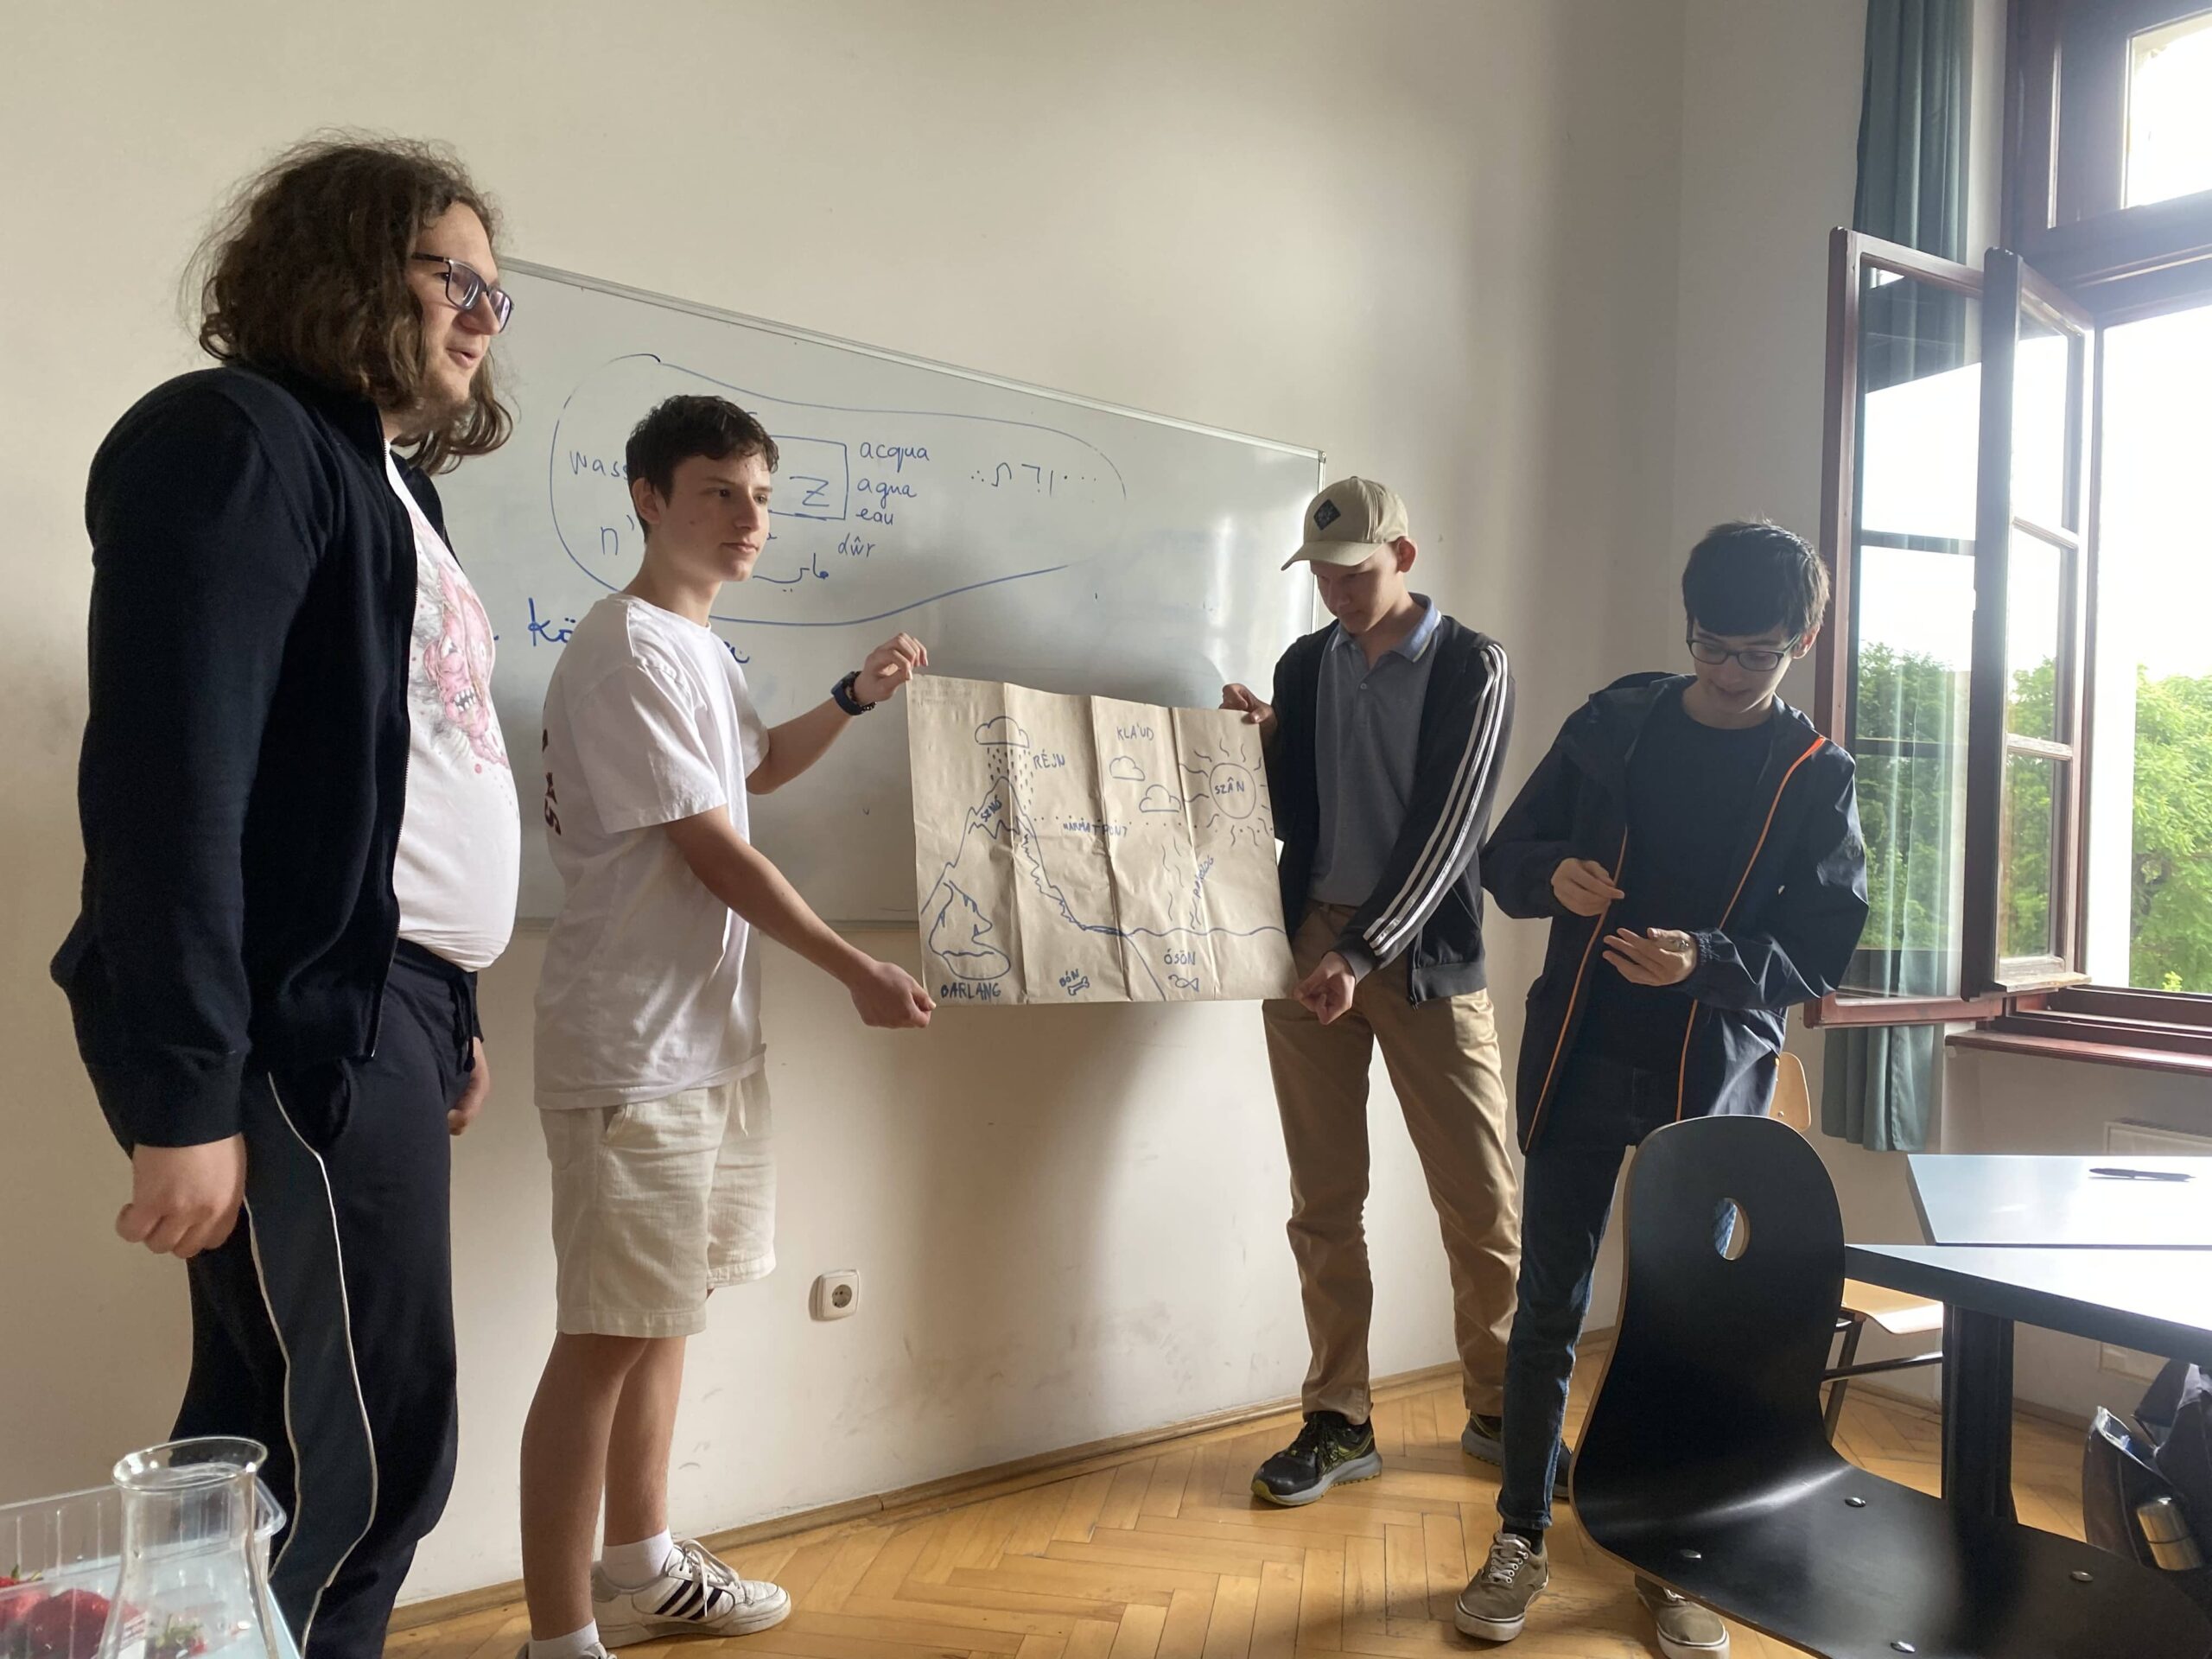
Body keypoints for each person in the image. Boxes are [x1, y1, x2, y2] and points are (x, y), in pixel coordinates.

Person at [52, 138, 522, 1659]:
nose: (483, 317)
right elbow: (170, 781)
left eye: (498, 294)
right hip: (304, 1023)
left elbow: (409, 774)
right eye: (457, 280)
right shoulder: (237, 438)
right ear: (353, 270)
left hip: (388, 1007)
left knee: (257, 1450)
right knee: (365, 1465)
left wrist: (454, 1008)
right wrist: (186, 1090)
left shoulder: (396, 489)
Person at [518, 395, 935, 1659]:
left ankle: (642, 1568)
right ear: (648, 497)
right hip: (632, 1048)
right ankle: (557, 1638)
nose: (748, 517)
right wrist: (853, 966)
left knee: (663, 1313)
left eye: (759, 495)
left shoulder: (698, 646)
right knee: (601, 1339)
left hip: (704, 1039)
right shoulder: (627, 649)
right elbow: (712, 849)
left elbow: (746, 772)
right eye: (717, 491)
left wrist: (852, 699)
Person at [1454, 521, 1869, 1657]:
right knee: (1548, 1306)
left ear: (1802, 641)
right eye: (1712, 647)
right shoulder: (1614, 723)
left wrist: (1707, 963)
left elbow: (1819, 950)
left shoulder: (1815, 773)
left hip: (1711, 1075)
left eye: (1758, 654)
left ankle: (1675, 1557)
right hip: (1582, 1057)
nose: (1731, 672)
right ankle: (1520, 1535)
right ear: (1687, 626)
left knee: (1688, 1325)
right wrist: (1554, 875)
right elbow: (1504, 858)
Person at [1220, 476, 1519, 1506]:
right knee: (1323, 1199)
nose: (1338, 593)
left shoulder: (1473, 665)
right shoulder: (1306, 665)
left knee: (1479, 1197)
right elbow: (1290, 812)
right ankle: (1337, 1418)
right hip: (1308, 943)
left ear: (1405, 556)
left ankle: (1501, 1409)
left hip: (1423, 953)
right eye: (1322, 576)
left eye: (1354, 572)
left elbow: (1449, 831)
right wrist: (1260, 744)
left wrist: (1361, 955)